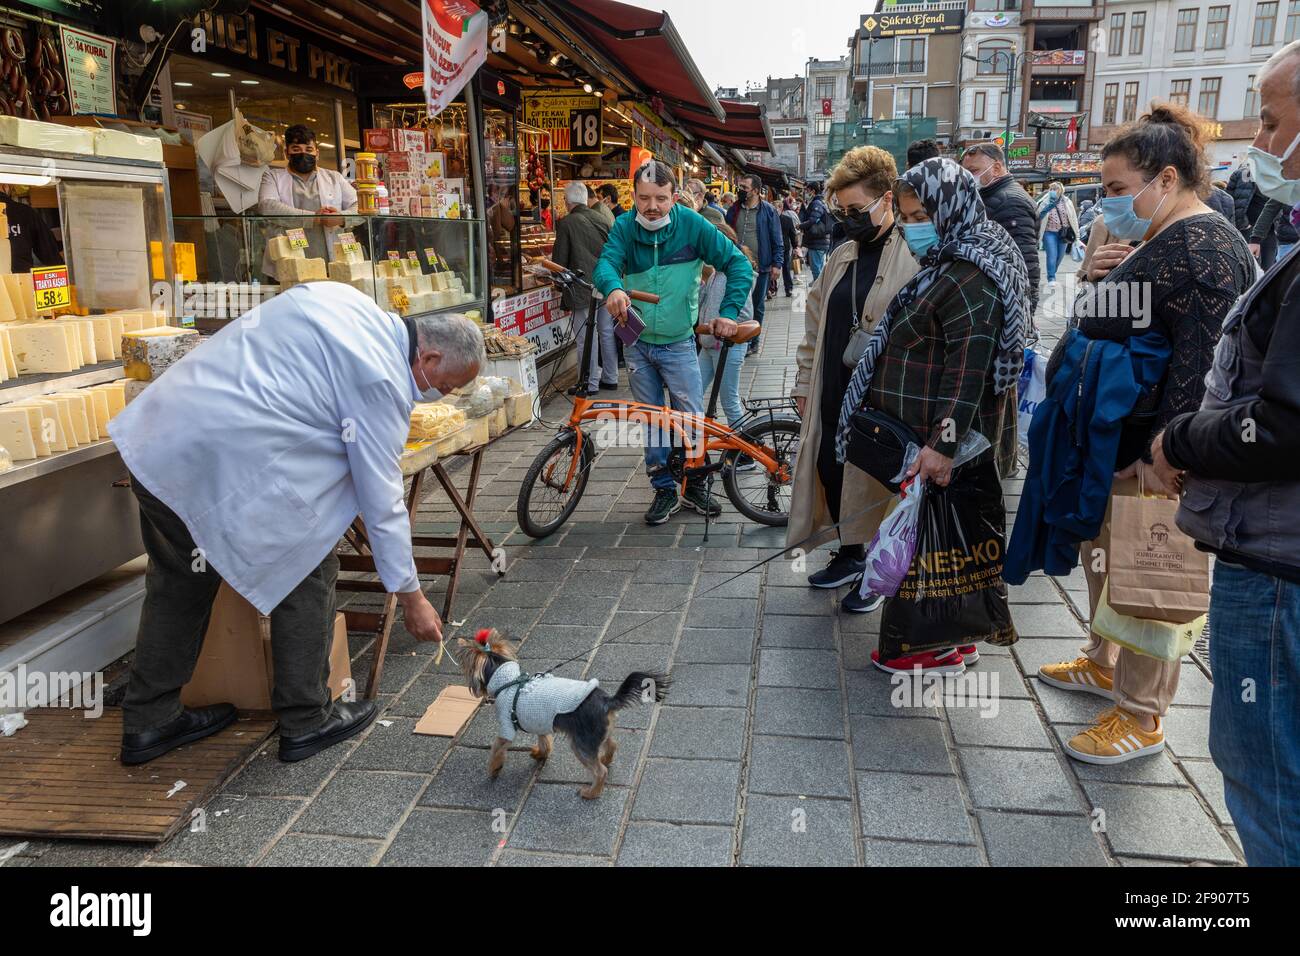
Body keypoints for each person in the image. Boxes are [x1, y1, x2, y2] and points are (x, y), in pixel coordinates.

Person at [109, 285, 484, 765]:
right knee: (307, 566)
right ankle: (306, 719)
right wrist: (411, 597)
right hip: (210, 462)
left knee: (179, 580)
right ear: (428, 357)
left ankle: (149, 721)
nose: (439, 395)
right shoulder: (383, 379)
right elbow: (381, 497)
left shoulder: (341, 298)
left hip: (159, 437)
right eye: (446, 386)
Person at [1032, 104, 1254, 765]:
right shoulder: (1157, 238)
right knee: (1109, 564)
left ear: (1164, 177)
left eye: (1116, 189)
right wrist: (1095, 279)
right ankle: (1104, 662)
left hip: (1156, 458)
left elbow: (1207, 365)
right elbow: (1096, 321)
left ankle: (1142, 716)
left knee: (1155, 583)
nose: (1109, 202)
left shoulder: (1206, 246)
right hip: (1117, 446)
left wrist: (1168, 455)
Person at [1151, 41, 1300, 866]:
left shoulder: (1206, 242)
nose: (1262, 140)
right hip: (1274, 550)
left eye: (1273, 120)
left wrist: (1180, 438)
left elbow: (1283, 423)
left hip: (1278, 563)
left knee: (1268, 772)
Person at [836, 157, 1028, 672]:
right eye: (907, 217)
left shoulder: (971, 275)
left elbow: (967, 371)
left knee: (927, 544)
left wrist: (941, 448)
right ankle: (950, 636)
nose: (914, 228)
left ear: (953, 209)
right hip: (920, 436)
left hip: (938, 440)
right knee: (933, 541)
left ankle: (926, 645)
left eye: (923, 216)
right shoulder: (946, 262)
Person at [787, 146, 918, 612]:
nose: (847, 219)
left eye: (856, 209)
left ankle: (882, 568)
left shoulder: (912, 250)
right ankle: (849, 553)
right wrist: (805, 381)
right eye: (842, 211)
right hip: (833, 385)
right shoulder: (843, 253)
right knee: (832, 464)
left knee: (876, 477)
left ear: (887, 199)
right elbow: (814, 316)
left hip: (882, 394)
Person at [593, 160, 755, 525]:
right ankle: (664, 488)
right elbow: (604, 265)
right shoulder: (623, 226)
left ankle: (695, 482)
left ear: (674, 196)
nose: (653, 207)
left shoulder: (693, 225)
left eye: (661, 199)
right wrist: (613, 286)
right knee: (651, 419)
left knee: (689, 415)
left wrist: (729, 312)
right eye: (645, 198)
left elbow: (738, 264)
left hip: (680, 341)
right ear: (632, 196)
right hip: (635, 339)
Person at [258, 124, 357, 281]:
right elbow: (267, 206)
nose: (303, 154)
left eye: (309, 150)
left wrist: (342, 217)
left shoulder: (334, 178)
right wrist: (313, 218)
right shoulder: (272, 177)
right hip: (288, 266)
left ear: (317, 153)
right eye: (296, 149)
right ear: (286, 153)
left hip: (331, 266)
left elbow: (362, 207)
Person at [960, 142, 1042, 317]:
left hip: (1002, 301)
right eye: (964, 173)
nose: (968, 178)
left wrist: (1026, 311)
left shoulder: (1011, 202)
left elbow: (1026, 262)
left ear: (996, 168)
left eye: (972, 171)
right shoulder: (988, 196)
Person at [553, 181, 617, 395]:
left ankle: (589, 382)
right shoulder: (602, 217)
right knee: (606, 331)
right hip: (605, 282)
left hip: (581, 286)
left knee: (585, 335)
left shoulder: (567, 223)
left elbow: (560, 261)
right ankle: (611, 376)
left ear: (568, 201)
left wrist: (557, 281)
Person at [696, 222, 756, 429]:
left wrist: (723, 323)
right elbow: (704, 304)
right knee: (692, 393)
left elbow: (746, 313)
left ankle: (745, 453)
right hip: (707, 346)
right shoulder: (715, 272)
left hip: (728, 347)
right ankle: (695, 444)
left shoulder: (735, 275)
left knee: (729, 401)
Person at [725, 173, 783, 353]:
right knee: (736, 300)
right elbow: (726, 233)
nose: (740, 191)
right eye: (740, 187)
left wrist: (777, 264)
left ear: (756, 191)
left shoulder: (768, 210)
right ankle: (737, 336)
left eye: (744, 188)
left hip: (761, 265)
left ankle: (753, 341)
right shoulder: (734, 209)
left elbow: (777, 238)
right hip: (735, 265)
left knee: (757, 304)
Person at [0, 187, 61, 272]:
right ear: (5, 186)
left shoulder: (26, 212)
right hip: (21, 281)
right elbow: (50, 255)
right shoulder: (25, 212)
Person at [1229, 158, 1275, 267]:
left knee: (1268, 270)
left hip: (1270, 231)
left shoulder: (1275, 178)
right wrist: (1245, 225)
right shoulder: (1243, 174)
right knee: (1250, 267)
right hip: (1248, 230)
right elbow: (1229, 201)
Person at [1037, 180, 1079, 285]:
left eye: (1055, 189)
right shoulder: (1045, 201)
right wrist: (1049, 205)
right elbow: (1039, 216)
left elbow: (1073, 219)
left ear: (1061, 190)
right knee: (1052, 255)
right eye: (1051, 189)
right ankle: (1051, 278)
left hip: (1063, 233)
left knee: (1060, 256)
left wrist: (1077, 236)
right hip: (1049, 233)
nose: (1052, 191)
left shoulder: (1067, 202)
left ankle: (1052, 272)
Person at [799, 181, 833, 280]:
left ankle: (818, 288)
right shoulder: (823, 201)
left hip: (817, 240)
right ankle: (819, 286)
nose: (806, 193)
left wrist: (800, 226)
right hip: (822, 239)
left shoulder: (816, 203)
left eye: (807, 190)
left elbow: (813, 220)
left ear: (813, 191)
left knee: (816, 268)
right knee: (820, 267)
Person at [779, 196, 801, 296]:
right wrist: (795, 245)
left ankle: (787, 288)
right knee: (785, 267)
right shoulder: (786, 219)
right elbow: (793, 233)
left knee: (785, 267)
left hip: (783, 247)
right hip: (782, 246)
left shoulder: (786, 219)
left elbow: (792, 233)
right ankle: (787, 288)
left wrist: (795, 246)